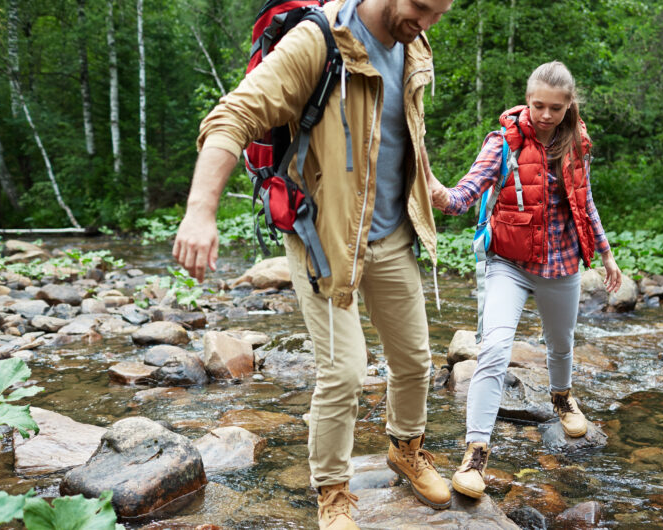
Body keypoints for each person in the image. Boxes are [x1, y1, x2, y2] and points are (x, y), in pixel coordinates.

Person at [172, 0, 454, 527]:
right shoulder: (318, 41)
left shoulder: (412, 40)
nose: (428, 23)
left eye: (440, 12)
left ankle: (406, 450)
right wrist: (199, 212)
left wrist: (427, 182)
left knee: (416, 362)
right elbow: (233, 116)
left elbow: (396, 127)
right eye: (421, 8)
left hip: (392, 233)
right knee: (344, 373)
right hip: (324, 236)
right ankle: (333, 491)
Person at [428, 61, 622, 500]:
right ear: (527, 99)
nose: (546, 114)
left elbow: (585, 200)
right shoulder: (503, 143)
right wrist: (439, 193)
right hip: (509, 263)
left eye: (556, 107)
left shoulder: (577, 142)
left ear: (569, 103)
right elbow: (464, 195)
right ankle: (475, 453)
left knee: (561, 343)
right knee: (494, 348)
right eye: (538, 105)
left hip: (563, 264)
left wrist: (607, 254)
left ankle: (561, 398)